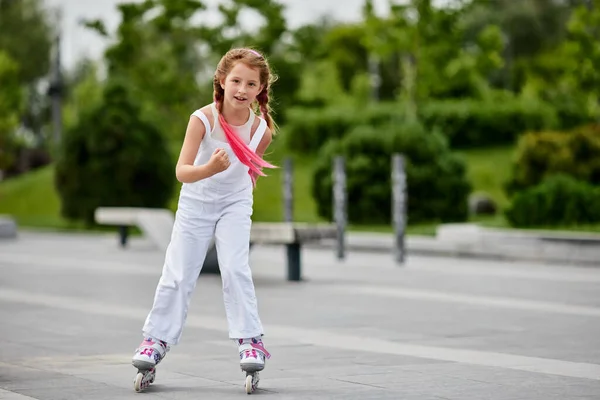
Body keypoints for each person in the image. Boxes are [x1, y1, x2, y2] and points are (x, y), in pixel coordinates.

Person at [131, 47, 277, 376]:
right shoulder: (202, 119)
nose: (242, 90)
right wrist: (210, 168)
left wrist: (234, 198)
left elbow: (249, 176)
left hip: (235, 204)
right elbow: (182, 171)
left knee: (236, 268)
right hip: (196, 201)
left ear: (260, 89)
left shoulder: (260, 131)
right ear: (222, 81)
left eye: (251, 84)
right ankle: (155, 339)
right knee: (180, 271)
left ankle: (250, 340)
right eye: (236, 81)